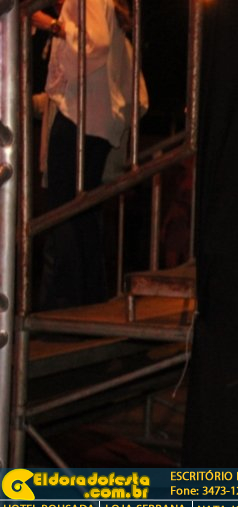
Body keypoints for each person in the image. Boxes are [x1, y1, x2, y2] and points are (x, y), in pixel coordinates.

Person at [35, 0, 147, 310]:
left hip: (80, 117)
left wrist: (53, 26)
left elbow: (93, 45)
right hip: (94, 119)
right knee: (82, 212)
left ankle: (66, 300)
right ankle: (88, 297)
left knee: (64, 211)